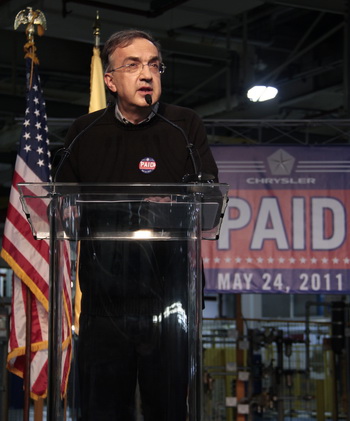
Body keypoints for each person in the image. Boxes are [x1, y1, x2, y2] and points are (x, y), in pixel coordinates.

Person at [57, 29, 218, 421]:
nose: (146, 73)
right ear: (110, 80)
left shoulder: (185, 126)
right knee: (103, 409)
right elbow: (59, 208)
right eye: (133, 65)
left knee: (167, 409)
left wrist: (167, 210)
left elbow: (209, 200)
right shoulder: (85, 131)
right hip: (104, 301)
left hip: (171, 300)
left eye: (153, 65)